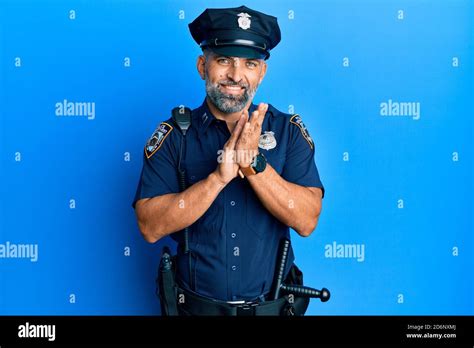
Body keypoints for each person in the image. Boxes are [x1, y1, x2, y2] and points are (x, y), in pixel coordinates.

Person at [132, 5, 325, 316]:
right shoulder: (173, 136)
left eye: (250, 63)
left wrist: (254, 166)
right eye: (224, 61)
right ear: (202, 66)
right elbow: (149, 226)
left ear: (261, 74)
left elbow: (307, 220)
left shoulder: (288, 132)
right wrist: (218, 179)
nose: (236, 75)